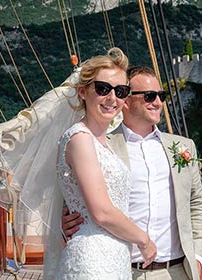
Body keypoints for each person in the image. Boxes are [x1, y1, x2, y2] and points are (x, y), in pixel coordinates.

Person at [62, 66, 202, 280]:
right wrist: (64, 223)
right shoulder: (100, 146)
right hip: (122, 270)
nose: (158, 102)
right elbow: (77, 198)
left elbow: (196, 204)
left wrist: (196, 257)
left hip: (176, 271)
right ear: (126, 101)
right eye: (149, 96)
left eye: (161, 96)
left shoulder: (184, 147)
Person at [54, 48, 158, 279]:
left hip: (115, 258)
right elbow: (101, 212)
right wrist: (144, 240)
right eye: (103, 89)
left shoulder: (104, 143)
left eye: (120, 91)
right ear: (83, 92)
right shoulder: (80, 139)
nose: (112, 98)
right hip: (92, 260)